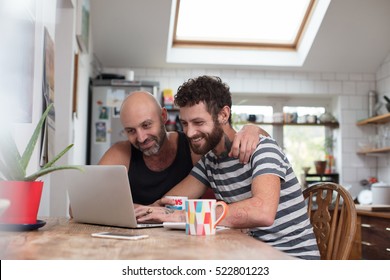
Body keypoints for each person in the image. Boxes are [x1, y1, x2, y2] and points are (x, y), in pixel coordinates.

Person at [136, 76, 320, 260]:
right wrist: (138, 211)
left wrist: (183, 216)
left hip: (293, 261)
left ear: (223, 115)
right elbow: (170, 202)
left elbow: (262, 211)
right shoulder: (210, 162)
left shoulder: (262, 149)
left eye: (198, 122)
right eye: (185, 123)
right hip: (251, 256)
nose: (190, 133)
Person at [98, 90, 269, 205]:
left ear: (163, 116)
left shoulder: (195, 145)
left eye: (147, 125)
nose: (141, 137)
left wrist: (252, 129)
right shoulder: (121, 153)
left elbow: (239, 144)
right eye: (131, 131)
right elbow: (78, 207)